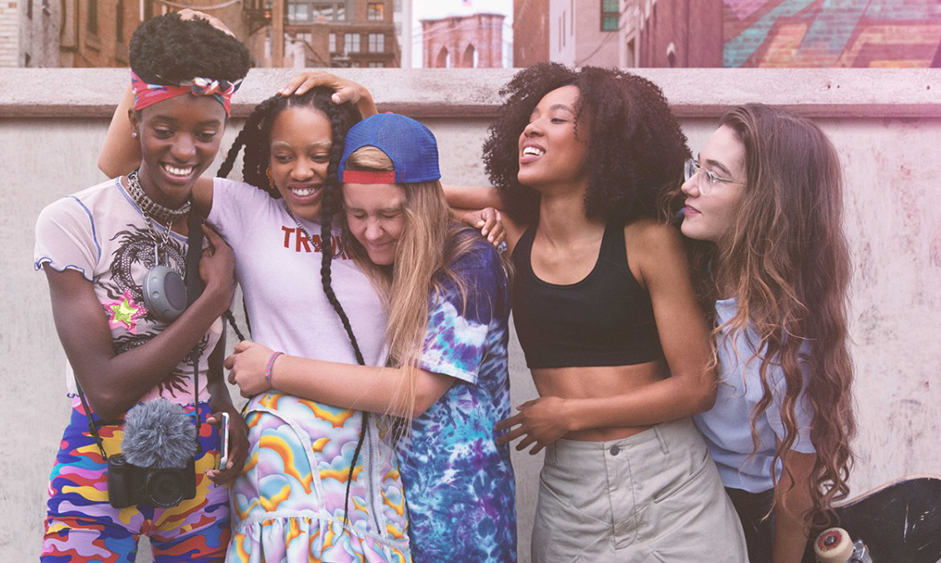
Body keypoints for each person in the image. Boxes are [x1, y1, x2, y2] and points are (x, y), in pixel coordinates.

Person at [447, 63, 749, 561]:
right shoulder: (516, 231)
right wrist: (368, 113)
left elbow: (697, 385)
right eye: (531, 117)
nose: (532, 126)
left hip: (669, 486)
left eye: (558, 119)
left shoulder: (646, 238)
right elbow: (409, 195)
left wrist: (571, 413)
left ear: (603, 145)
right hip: (572, 496)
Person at [223, 113, 517, 562]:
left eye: (389, 214)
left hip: (458, 505)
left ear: (419, 204)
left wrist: (273, 367)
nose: (371, 231)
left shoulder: (469, 262)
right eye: (356, 214)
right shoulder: (387, 251)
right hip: (383, 496)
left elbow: (416, 392)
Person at [34, 12, 250, 561]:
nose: (185, 151)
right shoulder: (73, 220)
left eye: (205, 134)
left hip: (200, 464)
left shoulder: (218, 224)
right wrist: (213, 300)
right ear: (135, 120)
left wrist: (229, 415)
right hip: (100, 462)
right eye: (164, 130)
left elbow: (209, 364)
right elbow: (105, 387)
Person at [672, 104, 855, 562]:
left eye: (713, 175)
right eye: (697, 166)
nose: (688, 185)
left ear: (766, 204)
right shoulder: (688, 260)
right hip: (681, 497)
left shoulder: (793, 330)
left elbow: (797, 483)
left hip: (751, 514)